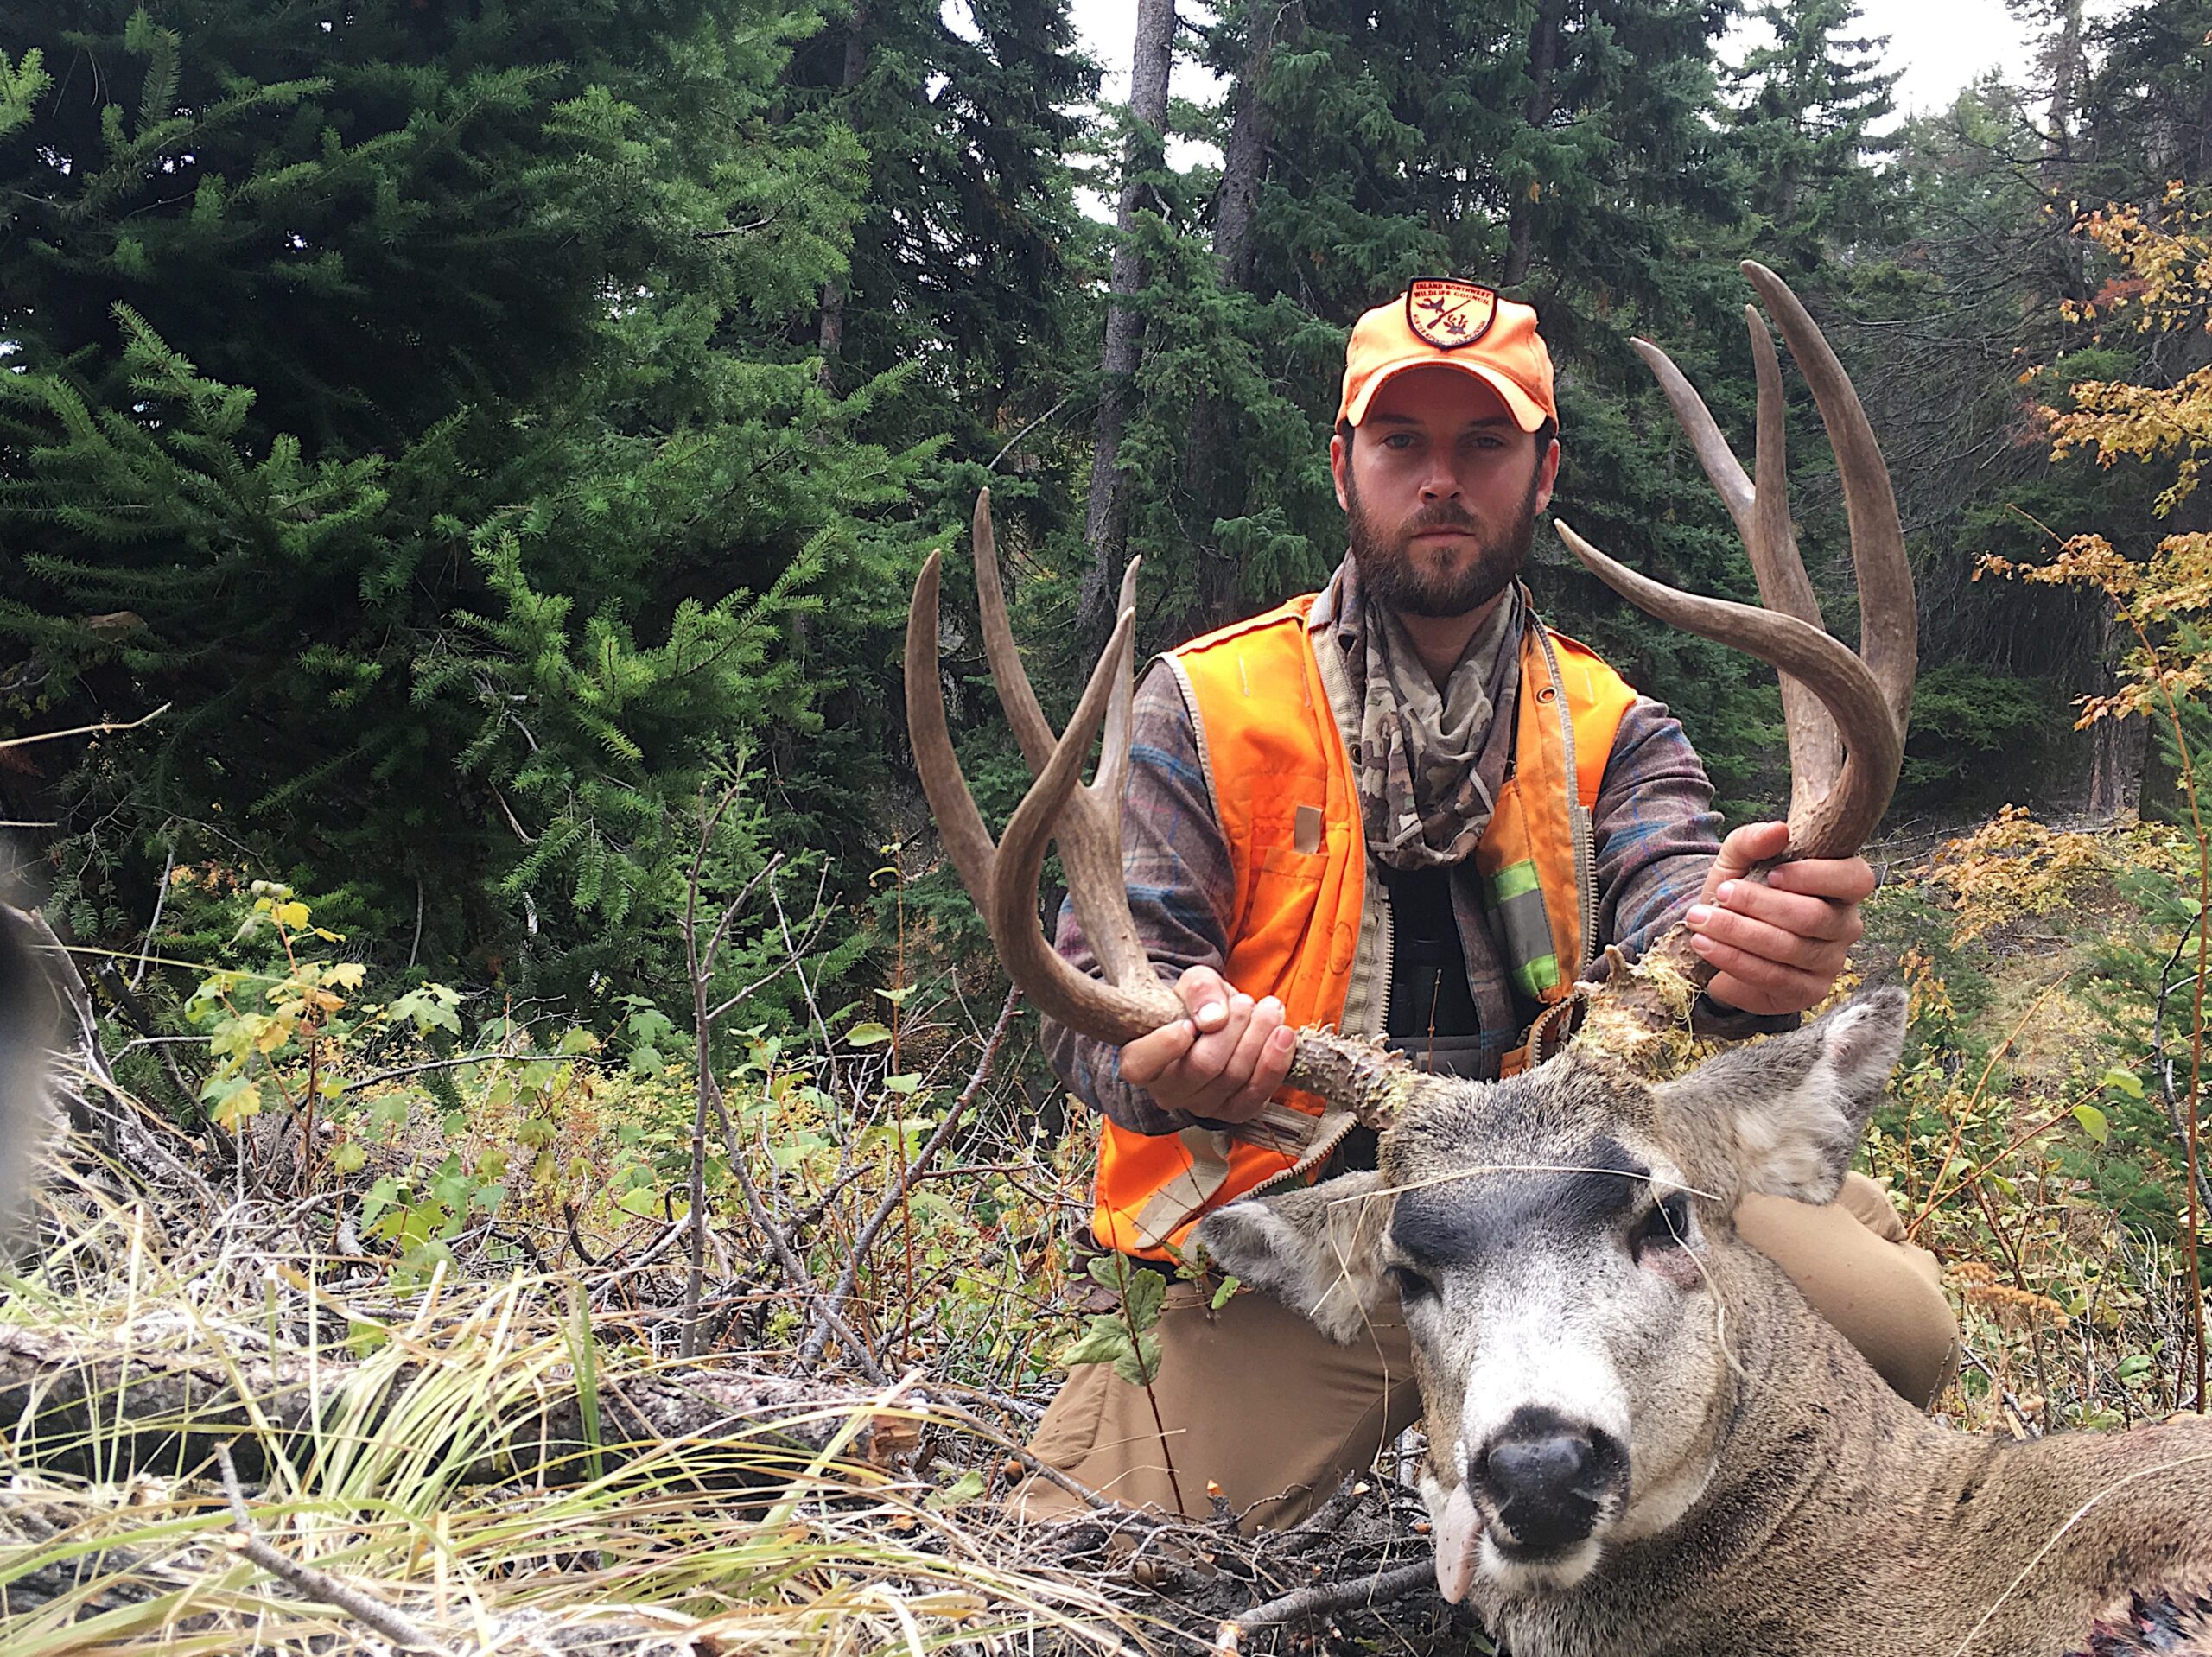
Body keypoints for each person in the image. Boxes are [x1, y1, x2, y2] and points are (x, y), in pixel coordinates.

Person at [1013, 279, 1958, 1531]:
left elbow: (1677, 905)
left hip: (1584, 1211)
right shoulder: (1206, 707)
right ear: (1344, 466)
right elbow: (1091, 1007)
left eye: (1485, 444)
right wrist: (1181, 1065)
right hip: (1321, 1240)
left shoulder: (1617, 730)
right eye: (1403, 441)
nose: (1441, 480)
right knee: (1093, 1544)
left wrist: (1749, 952)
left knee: (1898, 1339)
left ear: (1543, 471)